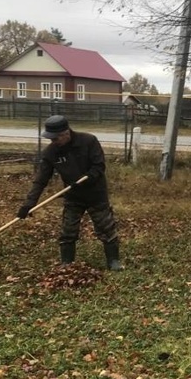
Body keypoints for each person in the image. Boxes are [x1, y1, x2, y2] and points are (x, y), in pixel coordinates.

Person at [17, 115, 123, 271]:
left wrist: (85, 179)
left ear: (65, 133)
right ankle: (67, 264)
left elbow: (98, 167)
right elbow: (40, 180)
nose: (53, 142)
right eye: (51, 139)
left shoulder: (88, 141)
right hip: (73, 197)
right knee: (68, 231)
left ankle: (113, 261)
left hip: (96, 195)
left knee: (106, 228)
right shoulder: (51, 152)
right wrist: (29, 204)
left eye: (55, 139)